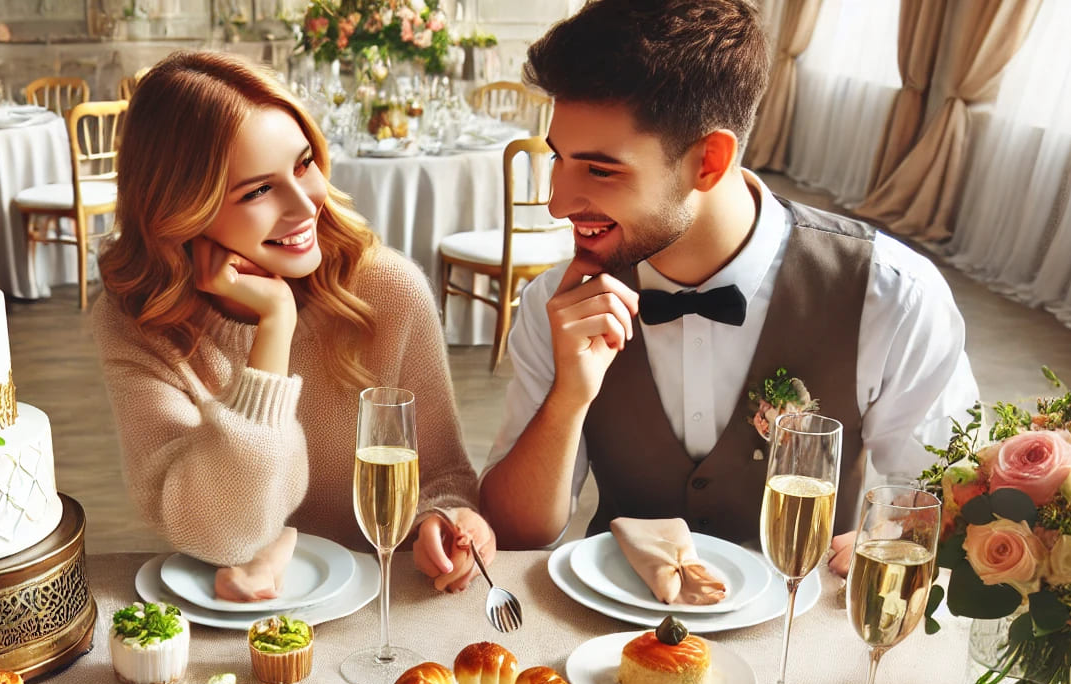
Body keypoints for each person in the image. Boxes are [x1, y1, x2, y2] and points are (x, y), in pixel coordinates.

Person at [479, 0, 979, 573]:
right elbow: (514, 534)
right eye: (558, 160)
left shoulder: (892, 296)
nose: (557, 203)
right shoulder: (558, 302)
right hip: (611, 643)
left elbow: (944, 506)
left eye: (599, 169)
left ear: (709, 162)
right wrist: (568, 398)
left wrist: (890, 532)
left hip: (806, 643)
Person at [95, 50, 494, 592]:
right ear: (181, 210)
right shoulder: (136, 324)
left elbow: (443, 478)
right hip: (229, 632)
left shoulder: (389, 291)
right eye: (258, 190)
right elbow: (221, 537)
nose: (306, 205)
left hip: (383, 608)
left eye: (304, 164)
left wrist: (447, 522)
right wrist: (274, 326)